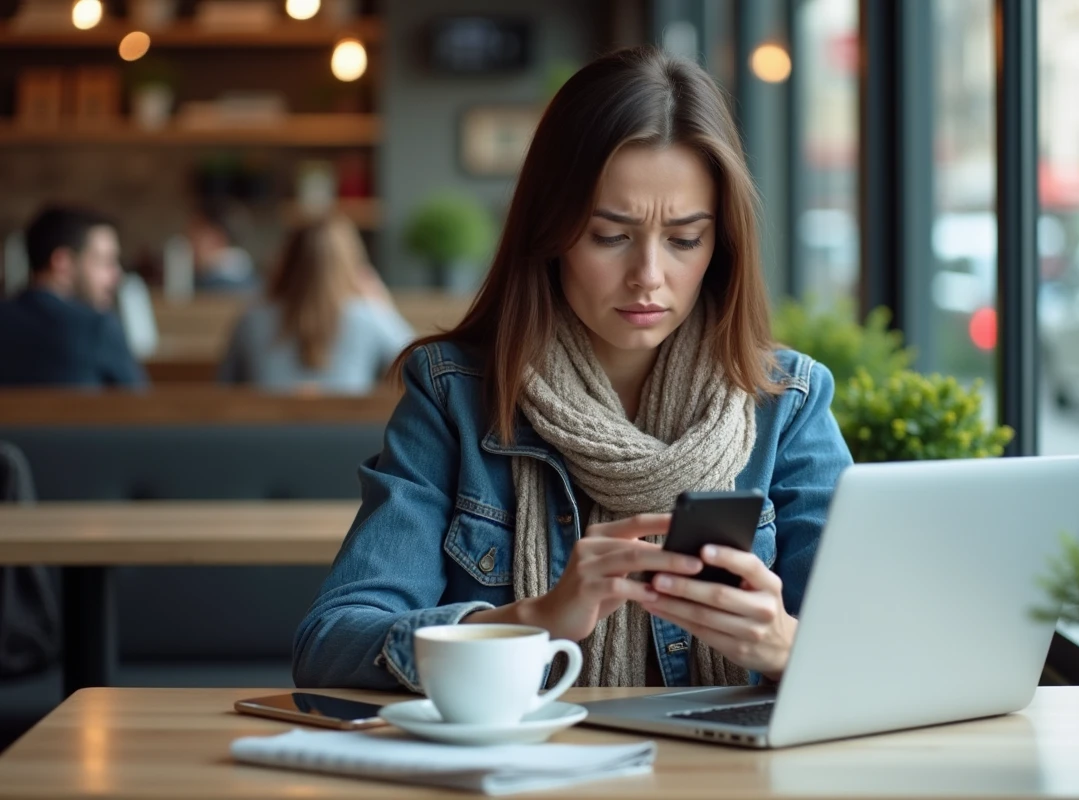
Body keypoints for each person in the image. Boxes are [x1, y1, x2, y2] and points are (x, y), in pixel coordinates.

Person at [293, 47, 853, 692]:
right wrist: (532, 622)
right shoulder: (455, 394)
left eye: (684, 239)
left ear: (720, 245)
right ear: (551, 230)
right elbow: (331, 641)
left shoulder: (786, 402)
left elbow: (884, 651)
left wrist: (786, 646)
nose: (648, 276)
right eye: (609, 236)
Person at [219, 214, 414, 394]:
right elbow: (418, 367)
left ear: (288, 261)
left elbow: (224, 385)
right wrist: (382, 303)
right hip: (346, 421)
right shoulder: (369, 316)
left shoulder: (252, 319)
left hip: (262, 421)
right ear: (350, 263)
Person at [0, 206, 146, 387]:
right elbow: (142, 402)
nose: (117, 275)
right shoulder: (98, 329)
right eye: (105, 262)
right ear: (62, 263)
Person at [186, 202, 258, 293]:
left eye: (197, 236)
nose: (191, 244)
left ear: (217, 237)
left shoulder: (232, 280)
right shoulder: (201, 276)